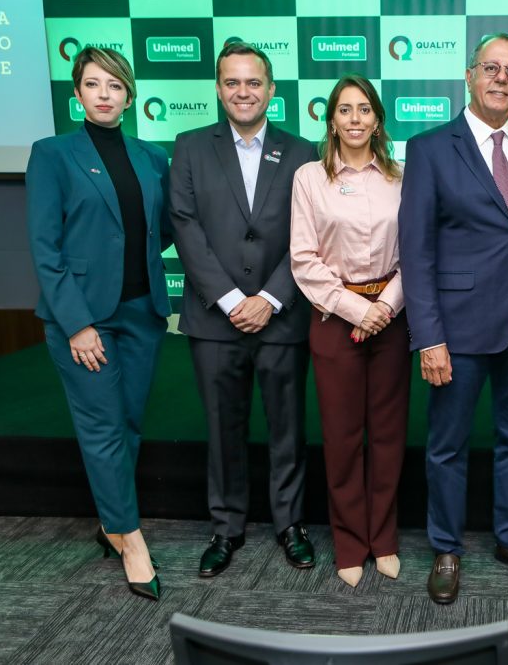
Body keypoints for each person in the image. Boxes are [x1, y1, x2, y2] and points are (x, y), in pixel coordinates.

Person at [399, 33, 508, 605]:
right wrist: (428, 336)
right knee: (447, 444)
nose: (501, 79)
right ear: (469, 77)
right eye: (490, 69)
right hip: (458, 325)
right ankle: (446, 547)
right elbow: (415, 250)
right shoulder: (429, 147)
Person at [26, 47, 170, 601]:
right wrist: (77, 325)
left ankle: (112, 519)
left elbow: (161, 230)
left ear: (129, 95)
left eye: (114, 85)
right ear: (77, 94)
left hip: (143, 313)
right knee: (103, 428)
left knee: (128, 424)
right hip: (85, 320)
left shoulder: (152, 156)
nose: (104, 93)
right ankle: (130, 539)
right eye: (93, 84)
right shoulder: (52, 154)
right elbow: (46, 249)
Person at [169, 42, 318, 578]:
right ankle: (226, 527)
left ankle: (290, 524)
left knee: (287, 429)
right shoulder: (189, 147)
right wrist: (233, 300)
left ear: (271, 89)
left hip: (282, 316)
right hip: (215, 319)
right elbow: (185, 227)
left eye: (253, 82)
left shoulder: (302, 151)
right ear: (217, 88)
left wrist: (270, 299)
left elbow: (309, 234)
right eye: (232, 82)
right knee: (221, 428)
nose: (243, 92)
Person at [290, 74, 409, 588]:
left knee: (387, 437)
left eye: (364, 109)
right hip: (333, 322)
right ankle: (349, 543)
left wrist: (383, 306)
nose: (356, 118)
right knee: (341, 439)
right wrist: (354, 311)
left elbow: (417, 253)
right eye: (345, 110)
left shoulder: (402, 176)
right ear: (331, 119)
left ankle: (382, 540)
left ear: (378, 119)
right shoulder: (308, 178)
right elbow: (303, 257)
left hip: (392, 319)